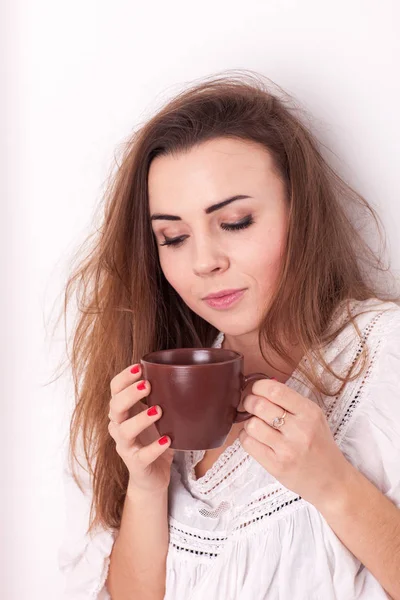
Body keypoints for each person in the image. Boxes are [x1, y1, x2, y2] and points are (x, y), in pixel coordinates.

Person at [56, 71, 400, 600]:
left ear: (299, 213)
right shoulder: (161, 383)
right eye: (172, 237)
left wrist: (333, 484)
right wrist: (146, 488)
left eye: (236, 222)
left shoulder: (384, 356)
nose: (204, 263)